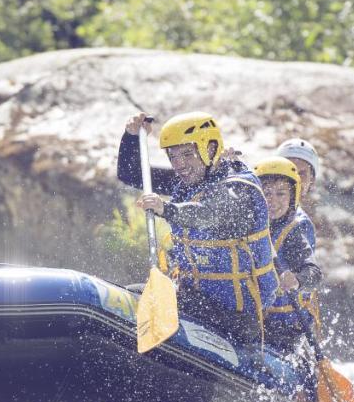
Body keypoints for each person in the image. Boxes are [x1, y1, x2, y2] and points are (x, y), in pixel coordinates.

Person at [118, 111, 280, 346]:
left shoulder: (241, 188)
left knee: (145, 301)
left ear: (211, 149)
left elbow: (212, 214)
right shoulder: (186, 182)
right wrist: (131, 136)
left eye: (187, 154)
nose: (179, 164)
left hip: (236, 319)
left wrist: (166, 208)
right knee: (130, 297)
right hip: (195, 301)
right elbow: (130, 173)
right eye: (173, 156)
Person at [254, 156, 323, 351]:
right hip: (251, 317)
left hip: (283, 327)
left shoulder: (294, 232)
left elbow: (314, 273)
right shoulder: (249, 224)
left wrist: (297, 280)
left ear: (292, 197)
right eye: (266, 193)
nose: (272, 201)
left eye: (281, 194)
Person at [274, 138, 322, 208]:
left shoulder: (302, 218)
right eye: (289, 170)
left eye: (302, 174)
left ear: (311, 181)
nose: (296, 178)